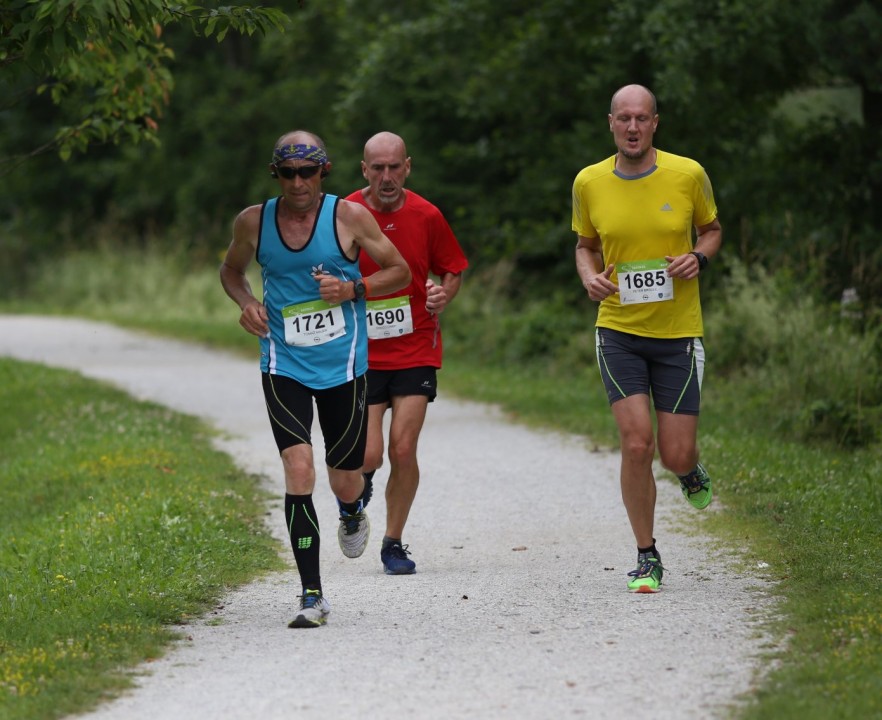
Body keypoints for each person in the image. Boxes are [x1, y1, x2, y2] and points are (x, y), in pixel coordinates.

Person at [219, 130, 411, 626]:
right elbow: (231, 271)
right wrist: (247, 304)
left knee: (344, 479)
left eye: (308, 172)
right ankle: (311, 594)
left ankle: (351, 511)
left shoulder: (348, 217)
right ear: (276, 175)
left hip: (343, 365)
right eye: (288, 173)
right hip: (283, 362)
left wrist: (353, 288)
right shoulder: (253, 222)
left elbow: (400, 271)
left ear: (323, 170)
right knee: (298, 468)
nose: (298, 182)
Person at [571, 85, 723, 593]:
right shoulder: (589, 181)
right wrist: (589, 276)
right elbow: (585, 246)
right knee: (637, 444)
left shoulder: (688, 174)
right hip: (618, 330)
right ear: (610, 122)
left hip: (678, 333)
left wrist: (698, 257)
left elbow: (713, 230)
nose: (632, 127)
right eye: (624, 119)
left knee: (674, 454)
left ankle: (688, 471)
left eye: (642, 118)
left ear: (655, 122)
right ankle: (646, 555)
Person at [343, 131, 468, 575]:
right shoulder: (346, 215)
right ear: (364, 171)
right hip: (363, 351)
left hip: (417, 346)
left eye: (394, 167)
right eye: (377, 168)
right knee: (369, 455)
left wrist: (442, 295)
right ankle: (357, 498)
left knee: (403, 447)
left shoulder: (427, 215)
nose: (387, 176)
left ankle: (393, 543)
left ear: (407, 167)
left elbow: (452, 269)